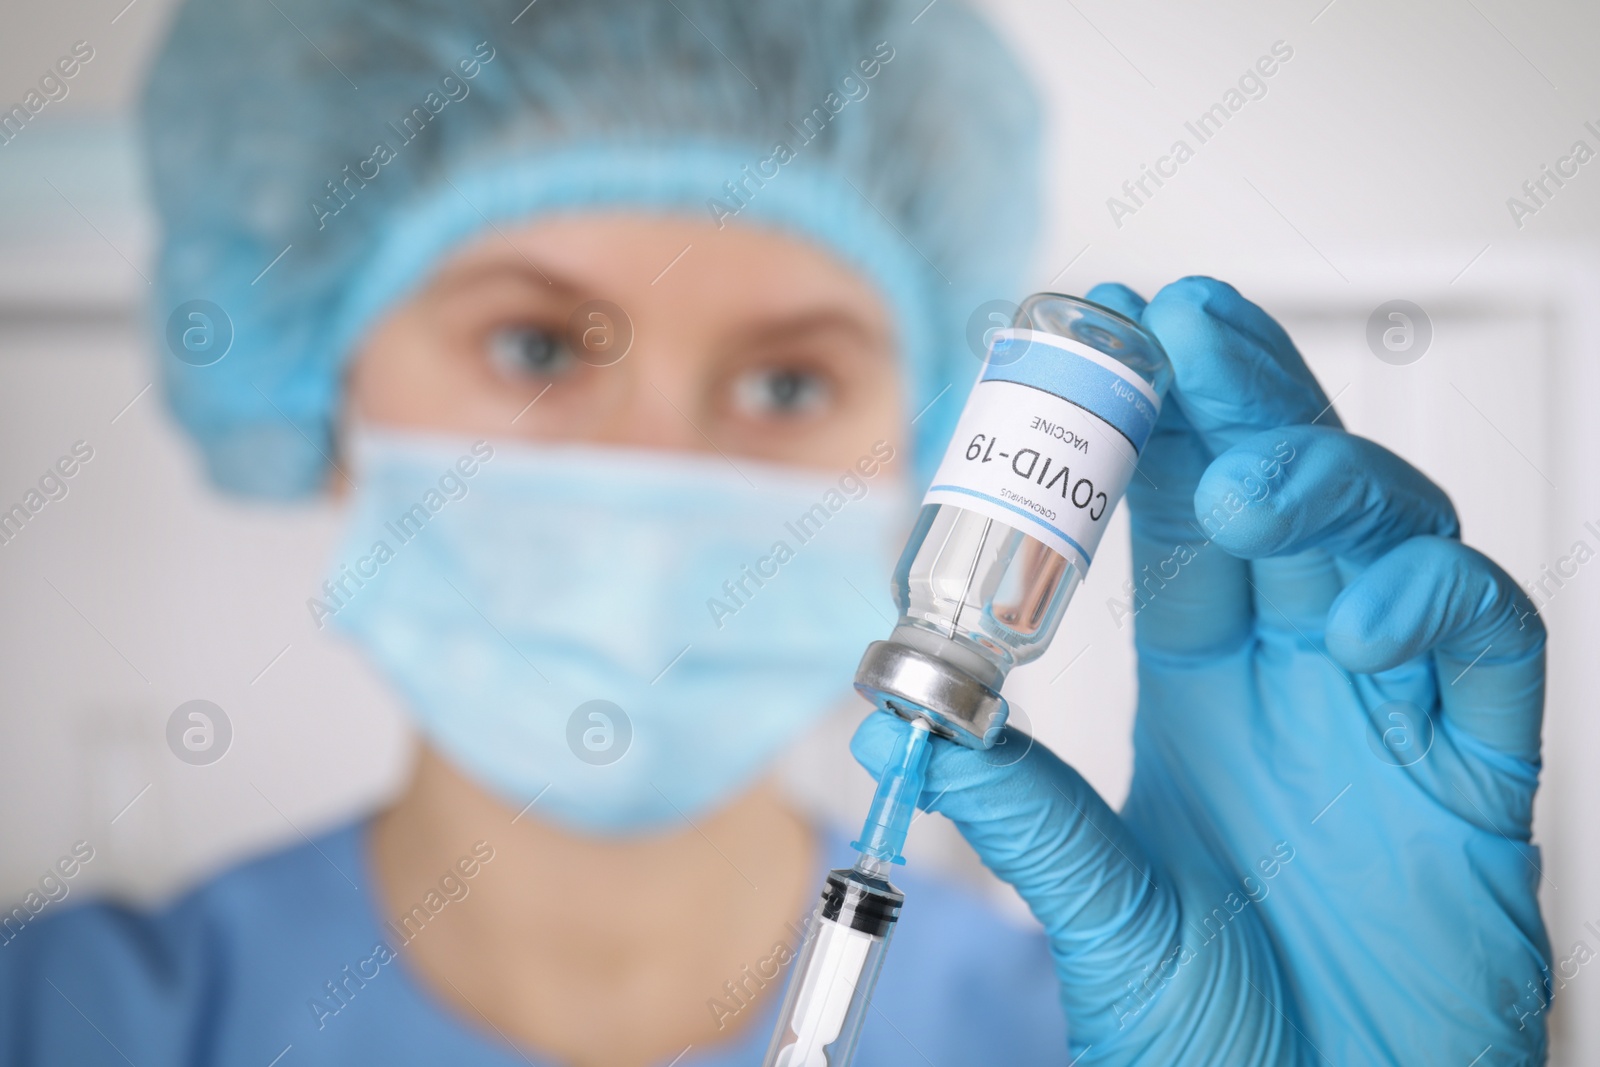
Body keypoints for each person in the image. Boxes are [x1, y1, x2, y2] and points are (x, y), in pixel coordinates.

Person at [0, 0, 1551, 1065]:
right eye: (538, 350)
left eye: (790, 377)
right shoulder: (68, 1026)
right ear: (325, 389)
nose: (658, 466)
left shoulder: (1097, 1032)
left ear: (925, 436)